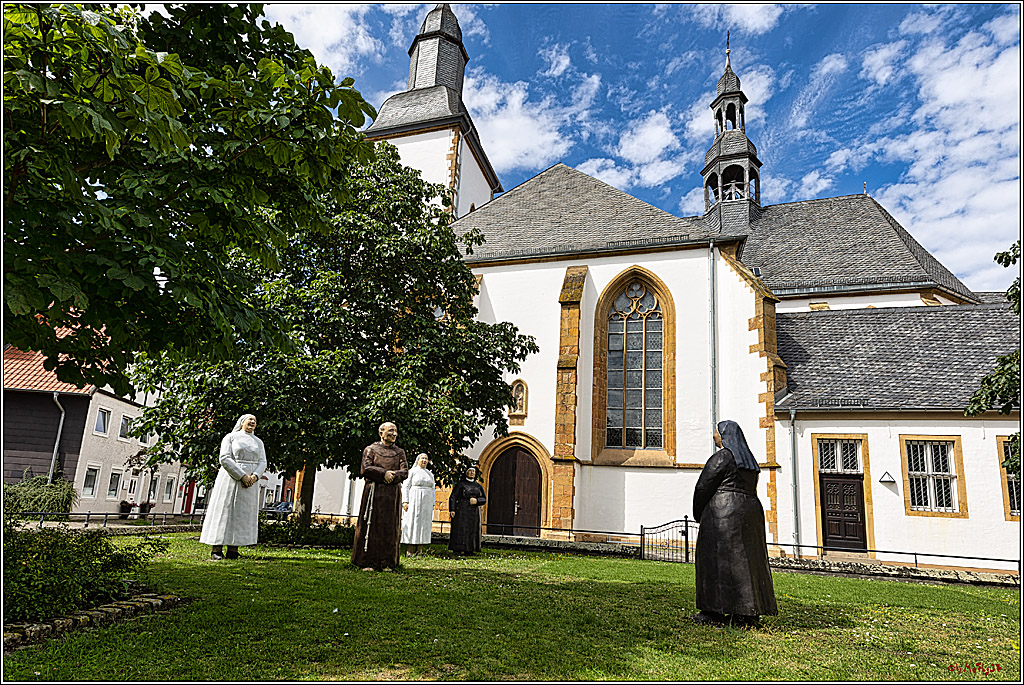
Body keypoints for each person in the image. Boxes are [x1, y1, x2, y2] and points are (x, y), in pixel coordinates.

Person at [692, 420, 778, 627]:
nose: (714, 437)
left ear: (724, 435)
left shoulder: (723, 456)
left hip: (723, 513)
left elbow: (703, 487)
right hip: (749, 512)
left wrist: (699, 513)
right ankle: (746, 613)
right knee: (747, 562)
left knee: (716, 560)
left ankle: (713, 611)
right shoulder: (750, 462)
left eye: (716, 433)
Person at [199, 414, 267, 560]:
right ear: (242, 422)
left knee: (241, 515)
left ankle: (233, 549)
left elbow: (263, 461)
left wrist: (254, 476)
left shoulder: (258, 442)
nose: (253, 422)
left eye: (255, 421)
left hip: (249, 484)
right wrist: (241, 475)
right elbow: (224, 458)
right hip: (230, 479)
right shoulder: (231, 437)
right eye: (250, 420)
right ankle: (216, 549)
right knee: (225, 512)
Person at [352, 422, 409, 571]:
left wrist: (393, 475)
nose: (394, 434)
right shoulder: (371, 450)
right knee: (372, 527)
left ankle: (388, 562)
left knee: (389, 528)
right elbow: (366, 468)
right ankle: (367, 562)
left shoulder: (400, 452)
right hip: (374, 494)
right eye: (391, 431)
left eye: (396, 431)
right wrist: (383, 473)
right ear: (381, 433)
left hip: (392, 495)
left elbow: (404, 472)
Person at [401, 453, 436, 556]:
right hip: (414, 499)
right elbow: (406, 486)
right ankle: (410, 550)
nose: (424, 460)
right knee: (413, 522)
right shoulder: (412, 472)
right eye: (422, 458)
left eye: (426, 459)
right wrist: (405, 501)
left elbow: (433, 489)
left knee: (424, 524)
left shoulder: (430, 474)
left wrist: (432, 502)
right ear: (418, 460)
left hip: (426, 502)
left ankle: (420, 550)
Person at [448, 465, 486, 555]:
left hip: (474, 511)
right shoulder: (461, 484)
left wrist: (477, 501)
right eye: (470, 471)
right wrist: (452, 509)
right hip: (462, 509)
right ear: (466, 473)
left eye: (473, 471)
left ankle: (470, 549)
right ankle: (458, 548)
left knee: (472, 529)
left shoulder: (478, 486)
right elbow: (453, 497)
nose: (472, 473)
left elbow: (484, 498)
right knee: (460, 528)